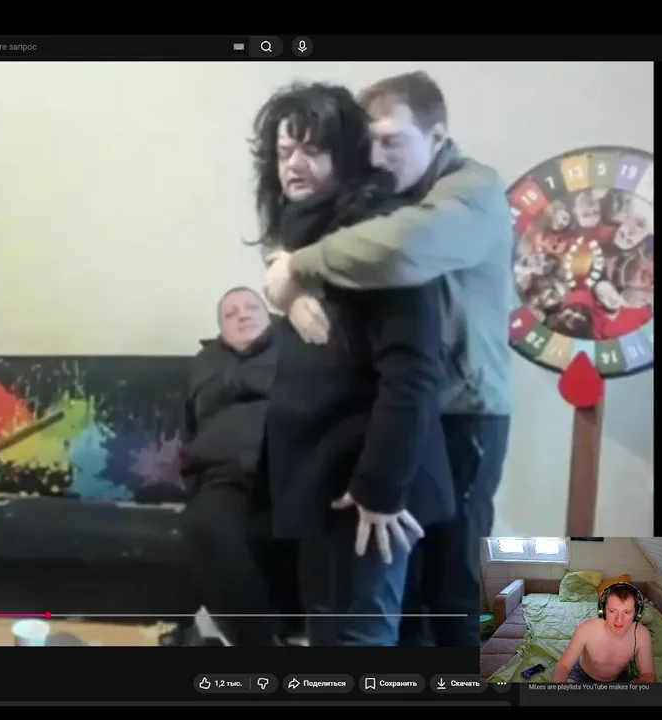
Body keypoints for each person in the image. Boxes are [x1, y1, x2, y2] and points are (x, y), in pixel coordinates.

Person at [264, 71, 515, 648]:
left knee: (455, 590)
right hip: (417, 418)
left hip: (465, 412)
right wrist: (288, 283)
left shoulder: (471, 191)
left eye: (391, 141)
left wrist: (293, 269)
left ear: (437, 135)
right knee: (408, 598)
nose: (376, 157)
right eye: (368, 143)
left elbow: (402, 247)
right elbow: (318, 238)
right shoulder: (390, 196)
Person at [178, 287, 300, 646]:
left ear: (271, 316)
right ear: (221, 330)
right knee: (203, 525)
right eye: (230, 315)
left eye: (251, 308)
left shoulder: (299, 346)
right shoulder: (204, 363)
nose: (242, 315)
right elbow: (188, 426)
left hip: (289, 469)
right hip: (224, 474)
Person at [551, 583, 656, 683]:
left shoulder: (642, 635)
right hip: (582, 674)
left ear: (636, 614)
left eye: (627, 612)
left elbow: (649, 674)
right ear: (603, 611)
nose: (619, 620)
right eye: (612, 611)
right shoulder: (586, 629)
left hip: (619, 677)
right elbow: (563, 666)